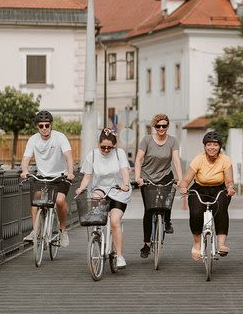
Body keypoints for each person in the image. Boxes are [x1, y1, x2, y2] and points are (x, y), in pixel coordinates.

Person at [75, 128, 131, 268]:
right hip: (100, 189)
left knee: (114, 221)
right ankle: (97, 234)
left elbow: (124, 170)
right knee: (95, 207)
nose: (106, 150)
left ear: (114, 146)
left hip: (118, 190)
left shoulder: (119, 154)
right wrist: (81, 188)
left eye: (109, 148)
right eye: (103, 147)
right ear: (98, 144)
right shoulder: (92, 156)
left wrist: (125, 184)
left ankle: (119, 256)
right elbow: (87, 176)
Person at [20, 110, 75, 247]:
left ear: (51, 125)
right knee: (35, 200)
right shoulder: (33, 139)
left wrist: (70, 172)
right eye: (41, 126)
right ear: (37, 127)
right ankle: (36, 231)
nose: (44, 128)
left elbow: (68, 156)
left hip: (60, 176)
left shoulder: (60, 137)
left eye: (47, 125)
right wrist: (25, 170)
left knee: (60, 200)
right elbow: (26, 158)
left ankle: (62, 230)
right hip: (42, 177)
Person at [178, 131, 235, 261]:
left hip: (219, 189)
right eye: (209, 144)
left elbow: (229, 181)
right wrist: (183, 187)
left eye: (215, 145)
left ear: (220, 146)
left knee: (221, 209)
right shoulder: (198, 159)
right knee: (196, 212)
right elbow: (186, 180)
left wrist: (230, 188)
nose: (212, 148)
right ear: (204, 146)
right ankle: (197, 243)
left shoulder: (225, 160)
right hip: (199, 189)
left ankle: (221, 244)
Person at [134, 114, 183, 258]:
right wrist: (138, 177)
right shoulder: (147, 140)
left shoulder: (173, 141)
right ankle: (146, 244)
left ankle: (167, 221)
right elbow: (138, 159)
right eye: (158, 126)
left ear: (168, 126)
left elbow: (176, 160)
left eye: (164, 126)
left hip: (165, 175)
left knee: (166, 202)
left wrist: (180, 178)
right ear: (154, 127)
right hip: (147, 177)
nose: (161, 128)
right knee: (149, 210)